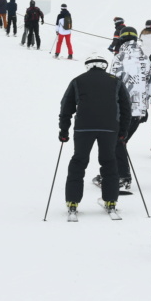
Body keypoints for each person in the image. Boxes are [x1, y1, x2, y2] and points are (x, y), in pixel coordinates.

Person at [58, 54, 132, 218]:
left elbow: (66, 107)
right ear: (104, 66)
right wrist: (123, 132)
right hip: (109, 128)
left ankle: (72, 201)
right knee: (109, 162)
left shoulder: (78, 80)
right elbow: (126, 107)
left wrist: (64, 131)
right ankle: (111, 200)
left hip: (84, 127)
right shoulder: (116, 81)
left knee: (78, 161)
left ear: (88, 66)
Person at [106, 26, 151, 191]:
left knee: (117, 142)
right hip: (139, 112)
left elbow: (112, 83)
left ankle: (122, 177)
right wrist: (144, 104)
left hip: (122, 110)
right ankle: (112, 174)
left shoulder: (119, 58)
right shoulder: (145, 59)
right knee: (120, 142)